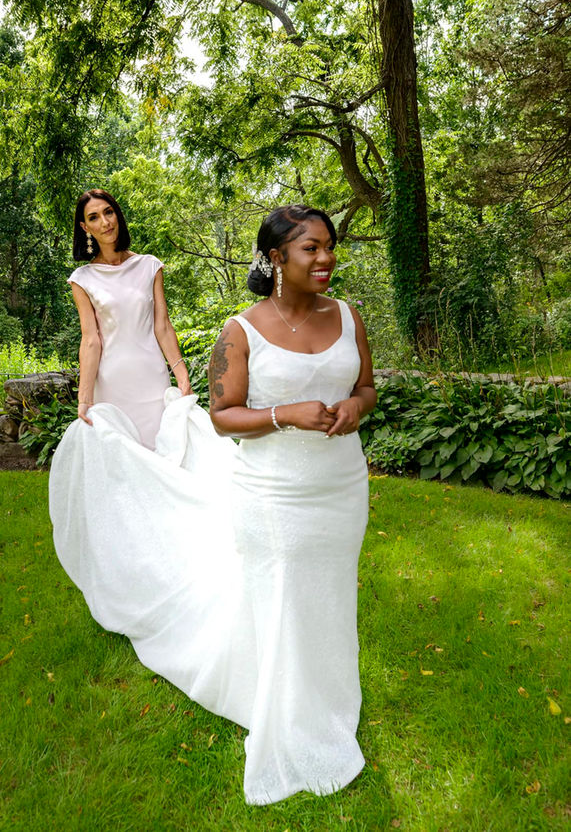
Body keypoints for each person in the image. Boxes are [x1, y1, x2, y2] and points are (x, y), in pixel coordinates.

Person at [48, 203, 376, 807]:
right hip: (272, 493)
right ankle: (279, 700)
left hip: (341, 487)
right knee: (277, 591)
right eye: (311, 248)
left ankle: (325, 688)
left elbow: (365, 386)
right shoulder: (240, 330)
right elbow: (223, 418)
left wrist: (356, 408)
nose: (327, 258)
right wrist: (284, 415)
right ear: (276, 258)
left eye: (329, 246)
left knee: (327, 591)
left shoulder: (350, 317)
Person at [68, 188, 191, 447]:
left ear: (117, 215)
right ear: (85, 227)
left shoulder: (149, 266)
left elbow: (163, 327)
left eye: (108, 212)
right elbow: (91, 340)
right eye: (94, 217)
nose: (105, 222)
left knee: (162, 453)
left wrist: (181, 374)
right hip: (111, 383)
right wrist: (85, 398)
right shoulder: (82, 279)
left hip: (152, 378)